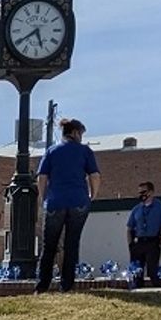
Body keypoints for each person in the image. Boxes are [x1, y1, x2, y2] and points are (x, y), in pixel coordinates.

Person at [35, 117, 100, 293]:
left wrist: (44, 198)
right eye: (81, 134)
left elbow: (42, 177)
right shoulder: (85, 151)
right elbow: (94, 175)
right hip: (78, 200)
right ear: (75, 132)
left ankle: (42, 285)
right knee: (72, 243)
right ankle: (67, 285)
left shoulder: (51, 151)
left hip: (55, 201)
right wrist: (91, 196)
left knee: (49, 245)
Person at [125, 181, 161, 287]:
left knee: (152, 271)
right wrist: (131, 244)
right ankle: (138, 292)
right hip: (138, 243)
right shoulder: (136, 209)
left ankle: (158, 291)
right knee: (137, 272)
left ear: (151, 192)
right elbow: (129, 228)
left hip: (153, 242)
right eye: (139, 192)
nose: (141, 195)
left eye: (144, 192)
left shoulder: (160, 208)